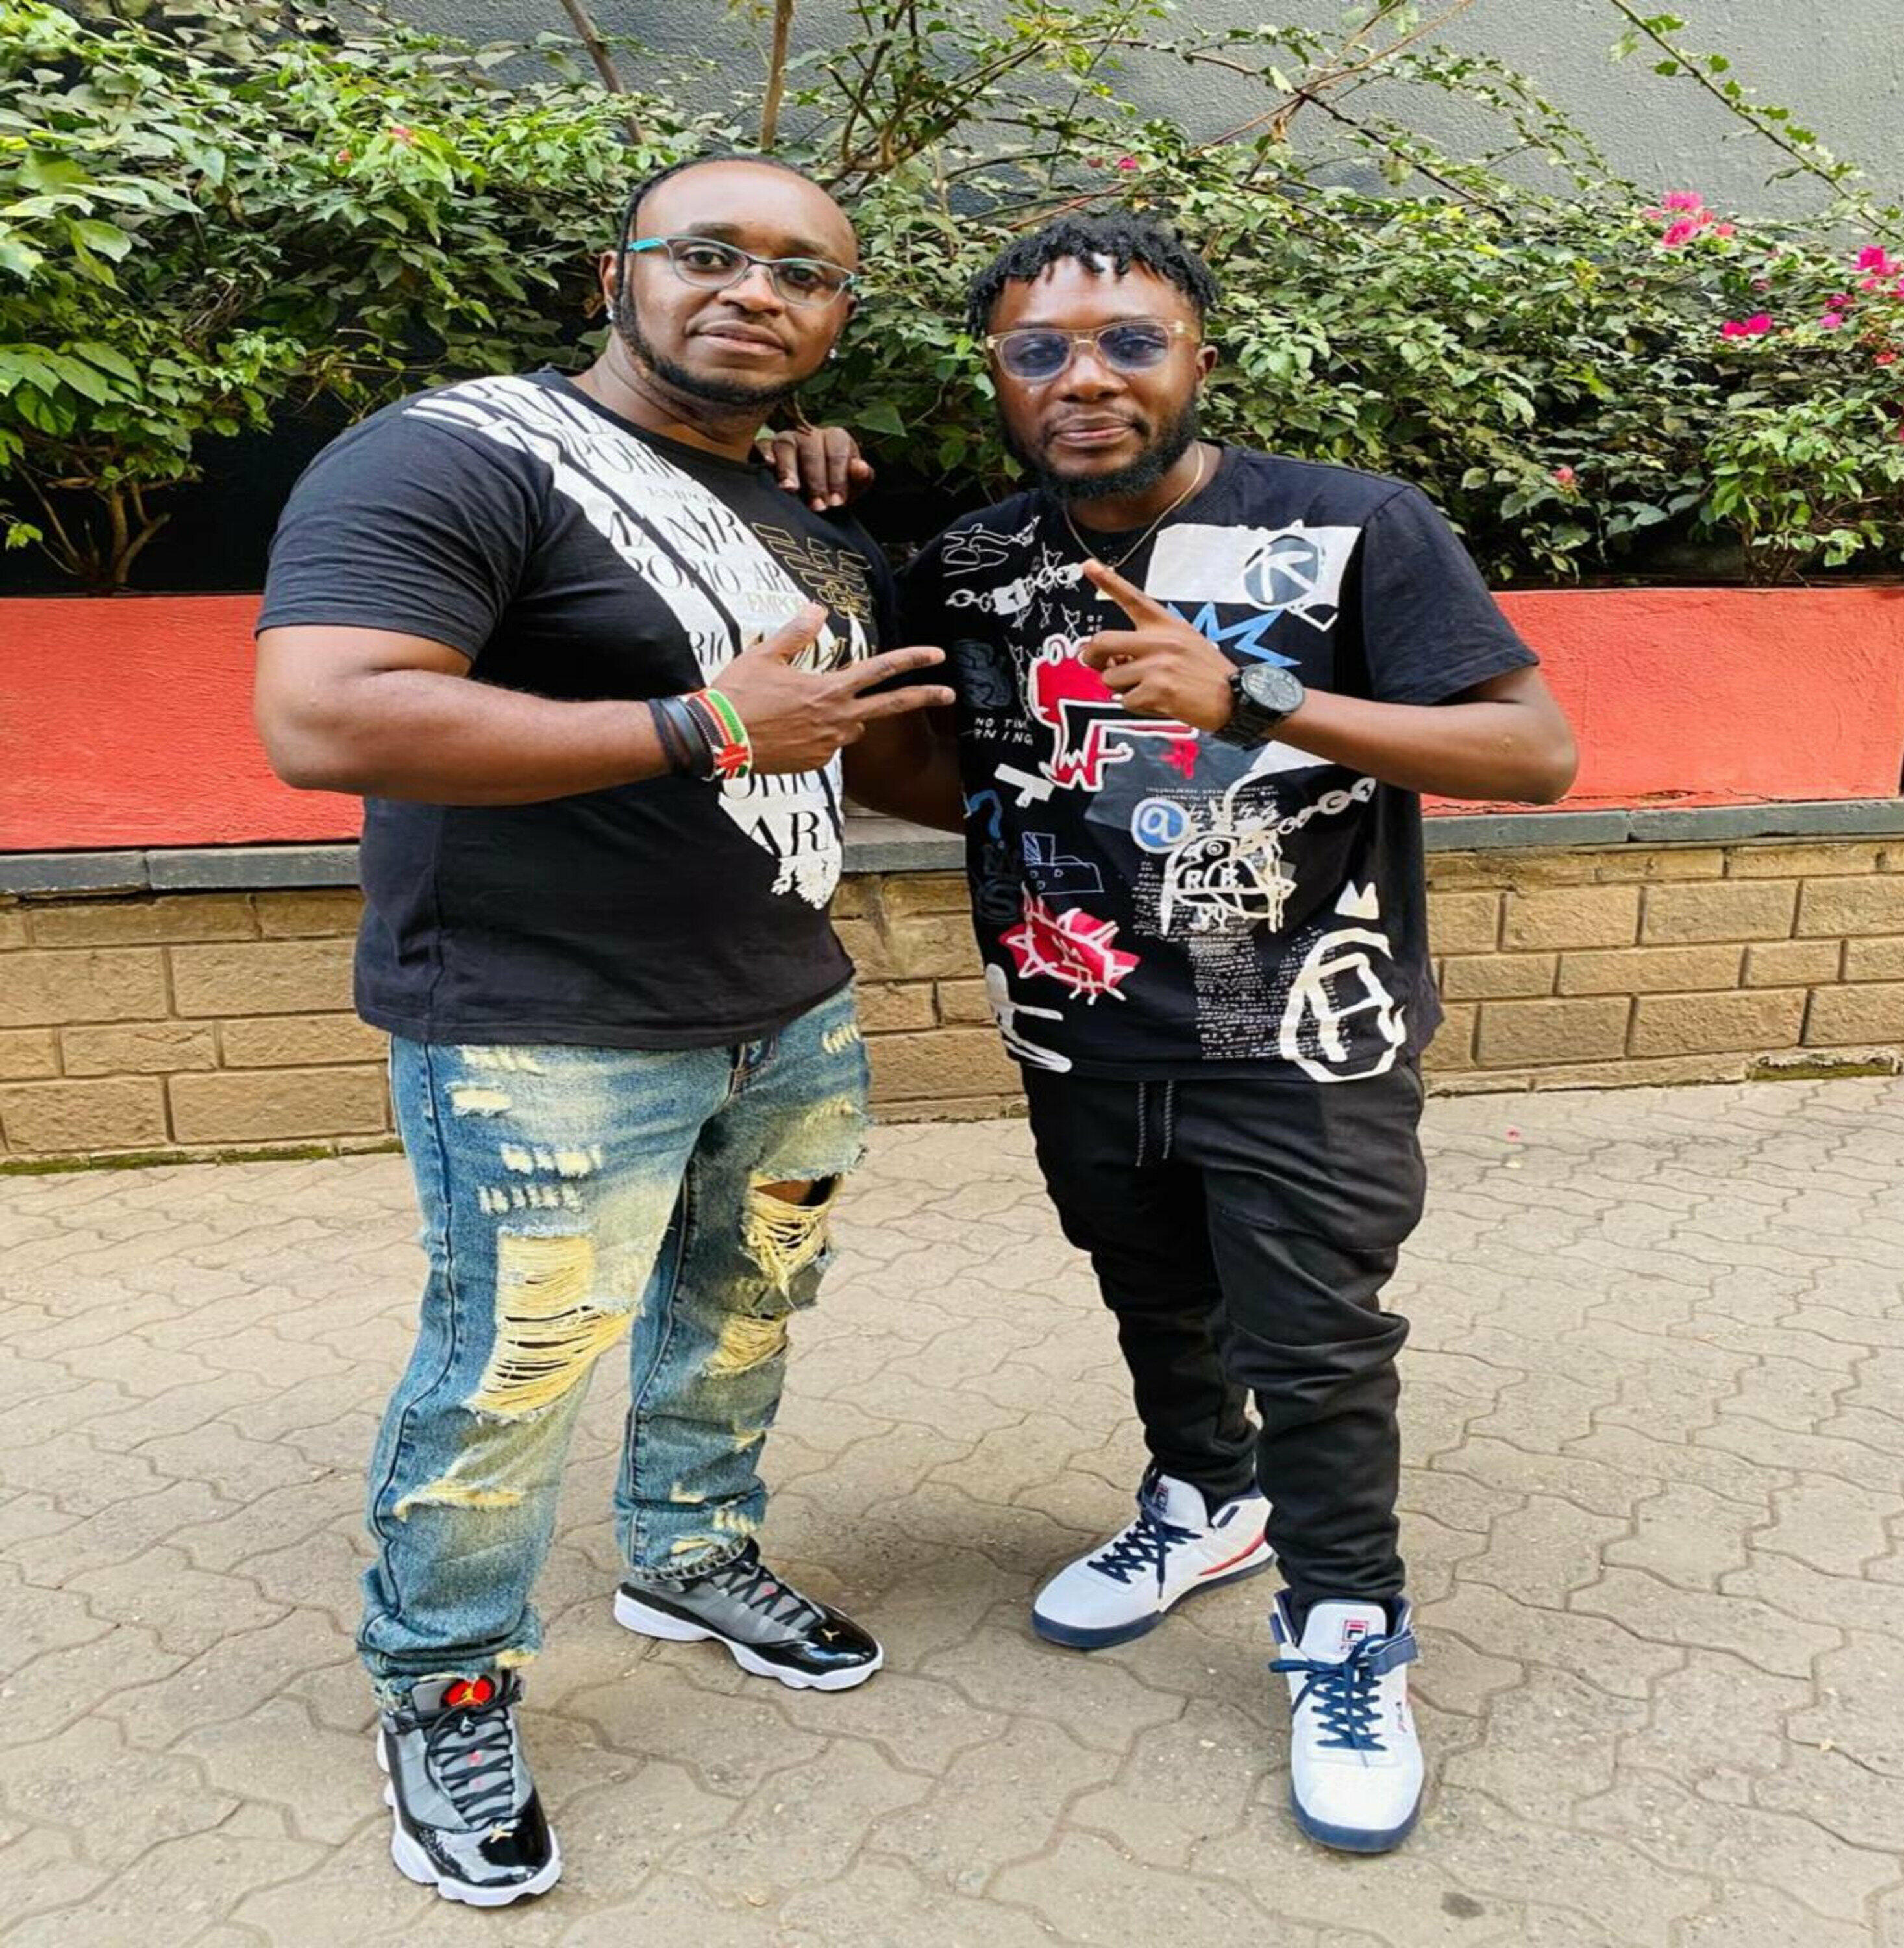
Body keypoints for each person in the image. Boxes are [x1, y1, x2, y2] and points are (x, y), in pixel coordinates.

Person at [253, 153, 952, 1906]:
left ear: (836, 319)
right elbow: (328, 717)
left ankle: (688, 1557)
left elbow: (861, 742)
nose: (753, 289)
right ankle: (446, 1686)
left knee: (745, 1314)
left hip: (786, 1011)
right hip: (541, 1031)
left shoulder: (805, 509)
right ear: (614, 274)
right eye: (709, 251)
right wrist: (703, 724)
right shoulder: (456, 454)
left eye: (801, 271)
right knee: (513, 1375)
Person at [885, 211, 1578, 1853]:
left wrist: (1252, 701)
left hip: (1298, 1032)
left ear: (1199, 359)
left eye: (1130, 341)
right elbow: (940, 764)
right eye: (1040, 350)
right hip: (1076, 1016)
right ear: (997, 376)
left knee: (1314, 1344)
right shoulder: (972, 562)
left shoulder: (1352, 526)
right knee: (1153, 1289)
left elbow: (1534, 755)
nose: (1084, 379)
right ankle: (1204, 1499)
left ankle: (1347, 1629)